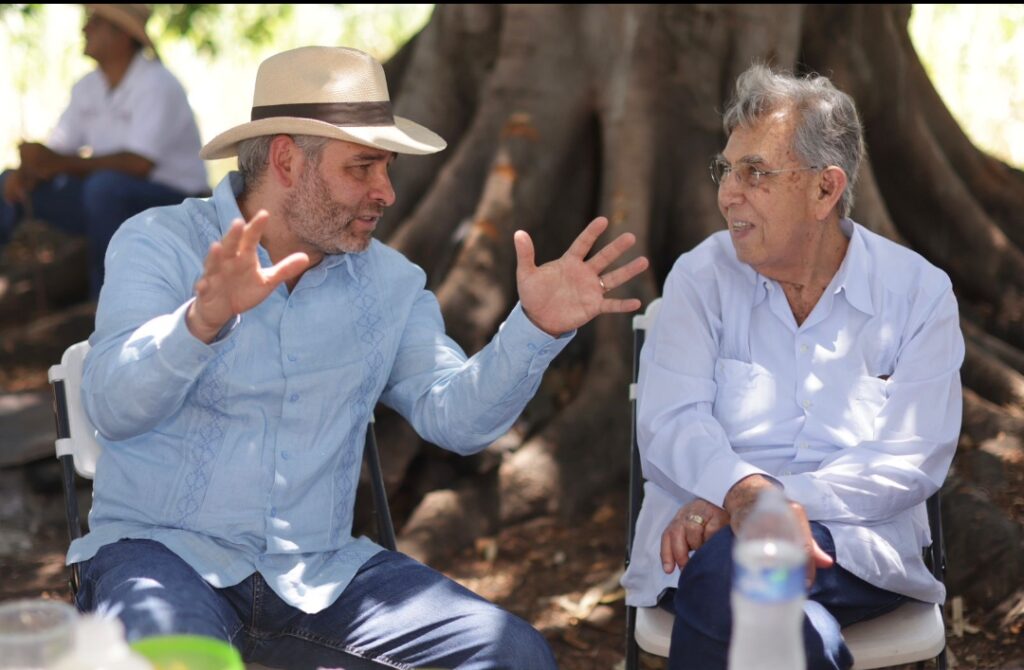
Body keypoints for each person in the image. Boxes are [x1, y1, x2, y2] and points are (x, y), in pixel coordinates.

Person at [68, 45, 649, 670]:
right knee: (186, 662)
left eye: (388, 169)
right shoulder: (161, 244)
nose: (387, 193)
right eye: (363, 168)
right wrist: (201, 321)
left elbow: (457, 420)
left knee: (513, 654)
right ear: (288, 160)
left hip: (319, 577)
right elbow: (110, 406)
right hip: (163, 556)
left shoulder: (390, 284)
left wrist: (533, 328)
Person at [621, 63, 964, 670]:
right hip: (703, 549)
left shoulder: (917, 293)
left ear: (825, 190)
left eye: (756, 173)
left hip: (852, 549)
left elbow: (911, 459)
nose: (729, 192)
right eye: (727, 169)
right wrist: (745, 495)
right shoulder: (700, 278)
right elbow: (670, 421)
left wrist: (753, 501)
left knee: (737, 567)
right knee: (786, 619)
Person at [0, 4, 208, 298]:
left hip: (172, 203)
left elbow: (139, 164)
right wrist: (30, 170)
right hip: (105, 198)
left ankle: (106, 298)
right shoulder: (88, 87)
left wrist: (55, 163)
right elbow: (59, 150)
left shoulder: (157, 84)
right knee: (8, 180)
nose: (84, 29)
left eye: (94, 22)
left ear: (121, 35)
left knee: (104, 188)